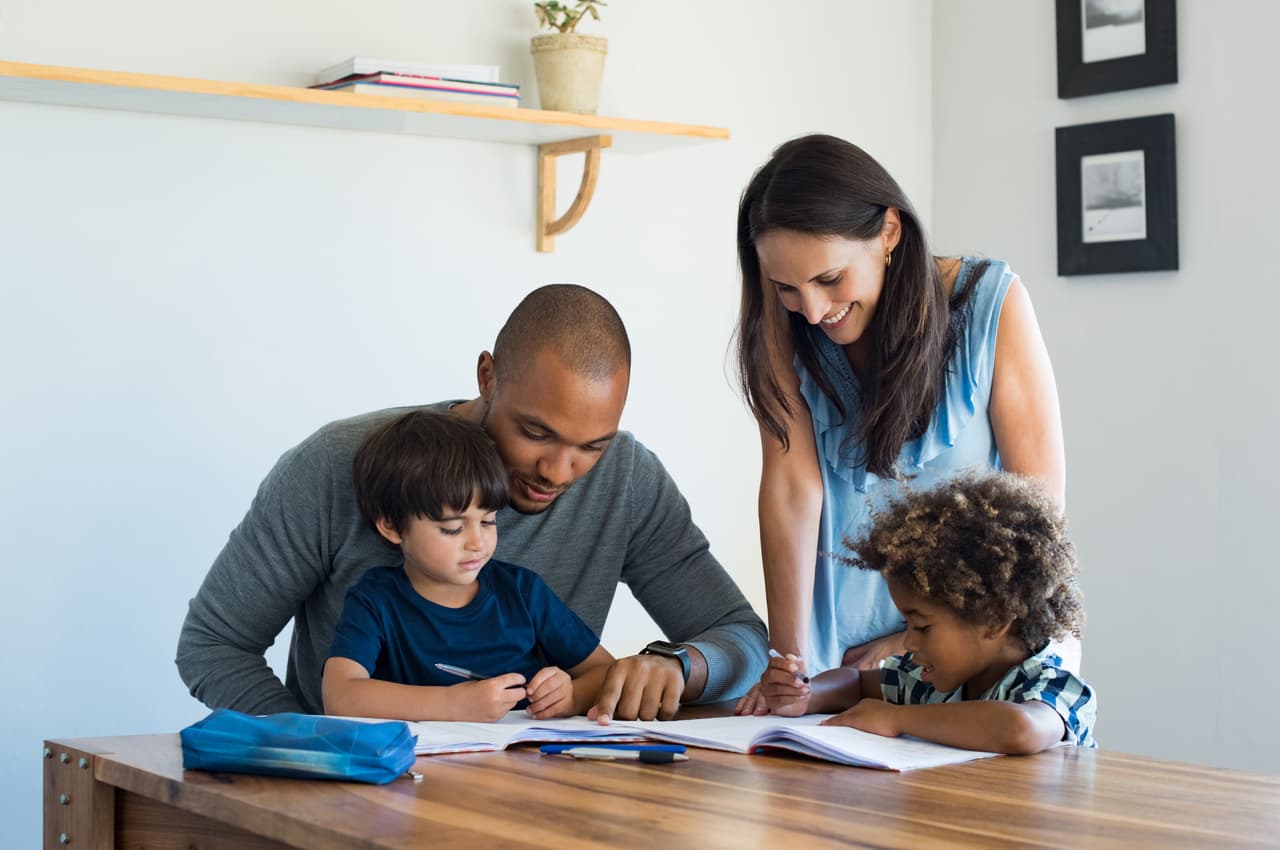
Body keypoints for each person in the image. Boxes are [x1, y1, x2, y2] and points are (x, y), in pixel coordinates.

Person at [177, 284, 767, 721]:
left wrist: (679, 665)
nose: (559, 472)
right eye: (536, 433)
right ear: (488, 376)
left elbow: (741, 637)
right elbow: (213, 645)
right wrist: (318, 750)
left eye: (591, 446)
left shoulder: (627, 478)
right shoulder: (336, 466)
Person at [732, 134, 1071, 713]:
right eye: (786, 287)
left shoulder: (993, 304)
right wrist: (788, 663)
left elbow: (1036, 515)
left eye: (829, 279)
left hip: (975, 655)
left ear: (889, 232)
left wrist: (913, 639)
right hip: (834, 664)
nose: (812, 311)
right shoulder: (784, 327)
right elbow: (792, 488)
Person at [761, 472, 1096, 753]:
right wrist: (806, 695)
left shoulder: (1051, 683)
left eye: (921, 627)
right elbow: (856, 684)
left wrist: (895, 718)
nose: (908, 643)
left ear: (995, 619)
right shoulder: (930, 680)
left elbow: (1019, 729)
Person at [322, 410, 614, 722]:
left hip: (524, 762)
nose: (477, 542)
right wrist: (452, 704)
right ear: (392, 526)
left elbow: (606, 671)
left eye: (488, 521)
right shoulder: (375, 600)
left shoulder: (522, 592)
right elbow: (340, 695)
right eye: (452, 528)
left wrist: (571, 696)